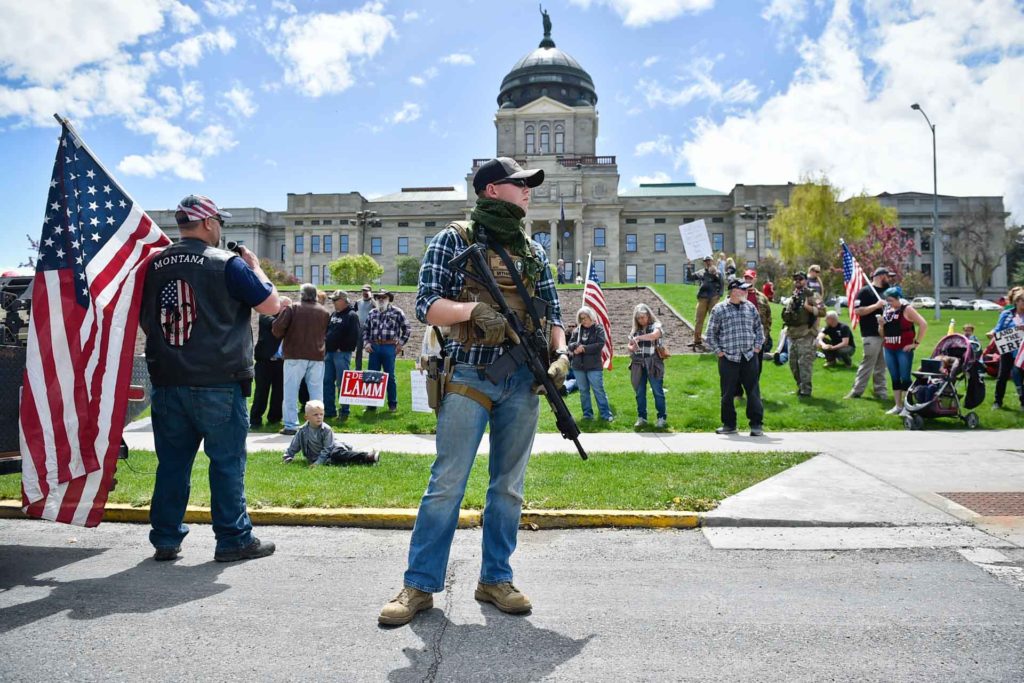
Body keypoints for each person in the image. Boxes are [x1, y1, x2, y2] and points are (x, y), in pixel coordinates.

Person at [379, 156, 568, 627]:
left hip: (523, 379)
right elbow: (426, 305)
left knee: (508, 487)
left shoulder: (533, 251)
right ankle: (419, 585)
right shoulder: (454, 239)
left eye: (529, 185)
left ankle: (495, 579)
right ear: (490, 191)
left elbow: (555, 314)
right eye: (518, 184)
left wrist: (561, 354)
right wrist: (470, 313)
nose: (528, 191)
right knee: (446, 485)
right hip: (468, 374)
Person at [141, 194, 279, 563]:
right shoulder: (227, 264)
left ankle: (166, 539)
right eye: (219, 220)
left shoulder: (153, 265)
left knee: (172, 464)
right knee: (226, 463)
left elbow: (146, 320)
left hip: (169, 379)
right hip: (219, 380)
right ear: (207, 223)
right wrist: (255, 268)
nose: (220, 227)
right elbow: (271, 305)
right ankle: (233, 538)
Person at [705, 280, 765, 436]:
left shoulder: (750, 308)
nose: (746, 292)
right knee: (727, 393)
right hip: (728, 358)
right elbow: (710, 335)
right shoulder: (719, 309)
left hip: (749, 356)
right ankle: (729, 425)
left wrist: (757, 347)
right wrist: (719, 352)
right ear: (733, 291)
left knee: (753, 391)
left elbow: (759, 329)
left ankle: (756, 425)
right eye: (742, 290)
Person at [273, 283, 330, 435]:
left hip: (295, 354)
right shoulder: (324, 311)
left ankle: (291, 425)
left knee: (290, 391)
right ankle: (318, 424)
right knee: (317, 392)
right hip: (317, 355)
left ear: (302, 294)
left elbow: (277, 329)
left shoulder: (293, 308)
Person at [878, 285, 928, 415]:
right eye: (887, 300)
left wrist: (915, 344)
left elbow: (923, 324)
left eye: (891, 300)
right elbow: (882, 334)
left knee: (905, 377)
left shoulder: (907, 309)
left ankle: (907, 406)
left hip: (903, 349)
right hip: (889, 347)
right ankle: (898, 405)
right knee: (894, 377)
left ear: (898, 298)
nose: (889, 303)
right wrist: (881, 325)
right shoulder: (887, 311)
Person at [362, 288, 411, 413]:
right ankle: (371, 405)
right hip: (374, 347)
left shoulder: (397, 312)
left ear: (389, 299)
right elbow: (365, 330)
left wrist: (400, 344)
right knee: (372, 376)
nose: (381, 299)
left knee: (390, 376)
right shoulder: (372, 312)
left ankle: (392, 404)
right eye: (378, 297)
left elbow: (407, 328)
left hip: (390, 347)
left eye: (384, 297)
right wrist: (366, 343)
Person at [846, 267, 891, 400]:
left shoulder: (889, 292)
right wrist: (876, 306)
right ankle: (857, 391)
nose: (889, 279)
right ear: (880, 276)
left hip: (887, 333)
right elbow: (858, 311)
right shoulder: (865, 292)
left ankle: (880, 391)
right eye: (887, 276)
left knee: (882, 365)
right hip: (871, 333)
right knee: (868, 362)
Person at [781, 271, 824, 396]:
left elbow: (823, 311)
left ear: (806, 280)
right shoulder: (794, 295)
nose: (798, 281)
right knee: (793, 364)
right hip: (792, 334)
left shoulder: (812, 294)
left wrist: (809, 308)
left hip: (806, 334)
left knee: (804, 364)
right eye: (795, 279)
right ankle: (800, 387)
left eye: (800, 279)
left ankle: (806, 391)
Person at [568, 306, 612, 422]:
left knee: (598, 390)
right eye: (581, 318)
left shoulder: (598, 329)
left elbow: (599, 344)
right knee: (583, 391)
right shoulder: (577, 330)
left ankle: (605, 414)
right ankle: (587, 415)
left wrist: (584, 349)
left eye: (585, 318)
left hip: (594, 366)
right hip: (578, 366)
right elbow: (570, 344)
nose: (583, 321)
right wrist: (576, 347)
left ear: (591, 317)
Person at [628, 303, 667, 428]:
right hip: (638, 363)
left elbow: (654, 336)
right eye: (638, 318)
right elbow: (629, 346)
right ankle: (642, 417)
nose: (641, 320)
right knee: (639, 392)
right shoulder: (635, 330)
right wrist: (632, 347)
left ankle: (661, 417)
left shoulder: (656, 326)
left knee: (657, 391)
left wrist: (639, 338)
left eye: (643, 317)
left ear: (649, 316)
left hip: (653, 362)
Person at [323, 290, 361, 420]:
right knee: (327, 381)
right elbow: (328, 330)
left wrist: (342, 348)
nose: (333, 302)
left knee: (342, 383)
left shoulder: (351, 315)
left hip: (341, 354)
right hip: (329, 353)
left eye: (335, 300)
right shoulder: (333, 314)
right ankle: (329, 411)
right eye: (332, 300)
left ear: (344, 301)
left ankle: (344, 411)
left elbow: (354, 336)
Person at [249, 298, 286, 429]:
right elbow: (276, 325)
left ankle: (274, 419)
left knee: (279, 392)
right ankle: (255, 419)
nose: (287, 310)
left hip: (281, 362)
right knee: (261, 392)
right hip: (264, 362)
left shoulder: (287, 321)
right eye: (285, 307)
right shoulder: (266, 316)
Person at [990, 288, 1024, 410]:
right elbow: (998, 329)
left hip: (1022, 352)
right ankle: (998, 401)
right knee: (1002, 376)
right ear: (1017, 301)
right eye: (1022, 301)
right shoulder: (1007, 314)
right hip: (1008, 350)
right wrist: (993, 333)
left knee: (1020, 377)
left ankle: (1023, 402)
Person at [692, 255, 722, 349]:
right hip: (703, 297)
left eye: (709, 260)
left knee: (715, 319)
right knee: (699, 319)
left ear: (712, 261)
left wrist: (719, 295)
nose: (707, 262)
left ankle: (715, 340)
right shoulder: (701, 272)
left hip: (713, 297)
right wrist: (689, 266)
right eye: (706, 261)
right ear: (704, 262)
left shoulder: (717, 272)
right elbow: (690, 277)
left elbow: (721, 283)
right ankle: (697, 340)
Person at [354, 284, 373, 370]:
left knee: (372, 349)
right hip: (360, 328)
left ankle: (371, 368)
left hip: (371, 329)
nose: (365, 292)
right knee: (359, 350)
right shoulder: (358, 302)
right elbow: (353, 312)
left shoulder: (373, 302)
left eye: (367, 290)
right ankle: (358, 368)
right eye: (363, 290)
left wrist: (371, 298)